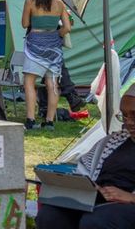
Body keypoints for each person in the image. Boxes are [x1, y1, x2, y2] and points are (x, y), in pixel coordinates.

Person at [35, 85, 135, 228]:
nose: (128, 122)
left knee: (96, 221)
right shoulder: (113, 140)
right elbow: (84, 169)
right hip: (99, 197)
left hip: (128, 203)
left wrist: (130, 197)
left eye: (134, 115)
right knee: (51, 215)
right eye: (124, 115)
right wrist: (89, 187)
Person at [23, 0, 71, 129]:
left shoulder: (30, 0)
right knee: (52, 84)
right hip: (54, 46)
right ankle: (49, 121)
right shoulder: (59, 3)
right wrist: (57, 34)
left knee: (29, 82)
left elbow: (25, 24)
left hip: (35, 45)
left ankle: (30, 119)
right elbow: (67, 27)